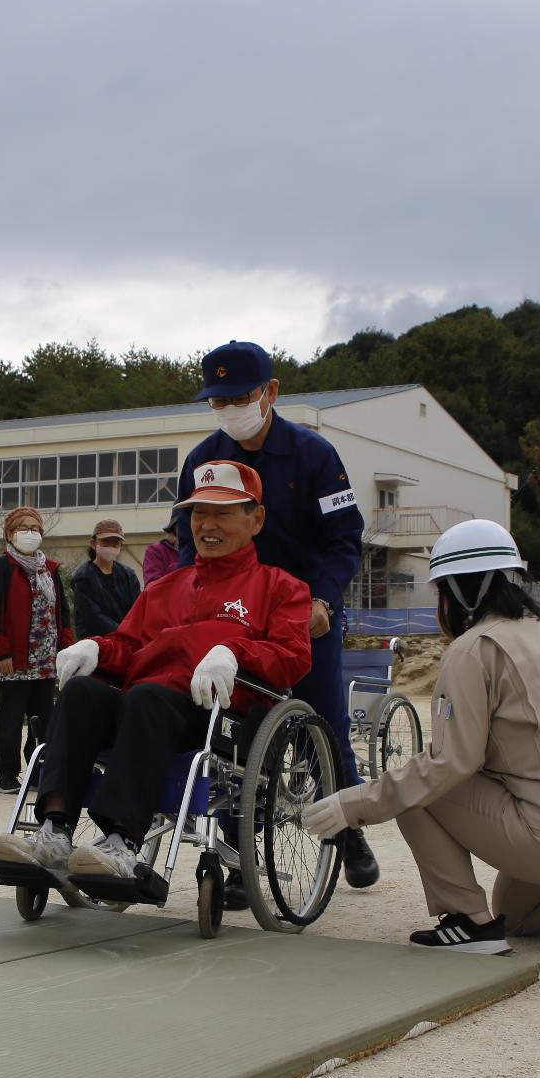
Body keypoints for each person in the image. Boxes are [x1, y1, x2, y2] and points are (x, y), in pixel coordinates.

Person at [301, 520, 540, 954]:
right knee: (516, 914)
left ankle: (467, 921)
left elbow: (448, 765)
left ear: (461, 593)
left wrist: (352, 804)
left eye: (442, 592)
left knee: (418, 787)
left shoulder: (474, 649)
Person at [0, 461, 312, 878]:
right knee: (82, 693)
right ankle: (54, 830)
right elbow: (128, 645)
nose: (207, 524)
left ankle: (123, 842)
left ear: (257, 519)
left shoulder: (280, 587)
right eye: (199, 513)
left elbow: (293, 657)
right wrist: (97, 649)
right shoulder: (164, 588)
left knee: (146, 697)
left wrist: (236, 652)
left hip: (215, 714)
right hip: (143, 706)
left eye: (223, 513)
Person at [177, 339, 380, 895]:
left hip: (304, 614)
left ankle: (348, 830)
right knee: (230, 737)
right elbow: (187, 544)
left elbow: (344, 539)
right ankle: (239, 857)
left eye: (239, 398)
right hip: (233, 617)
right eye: (217, 401)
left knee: (325, 729)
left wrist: (323, 600)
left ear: (270, 392)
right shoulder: (202, 462)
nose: (228, 410)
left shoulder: (315, 456)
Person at [0, 506, 73, 795]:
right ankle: (7, 775)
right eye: (23, 528)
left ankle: (38, 771)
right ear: (9, 534)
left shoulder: (50, 569)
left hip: (46, 657)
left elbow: (62, 612)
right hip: (14, 658)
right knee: (11, 717)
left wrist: (66, 647)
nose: (30, 533)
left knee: (44, 718)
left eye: (35, 528)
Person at [71, 518, 140, 637]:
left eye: (115, 543)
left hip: (127, 639)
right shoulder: (83, 578)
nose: (110, 547)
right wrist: (122, 632)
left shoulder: (129, 575)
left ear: (121, 545)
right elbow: (93, 617)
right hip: (95, 642)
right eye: (105, 542)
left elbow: (138, 609)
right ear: (93, 543)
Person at [141, 515, 181, 587]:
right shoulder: (156, 551)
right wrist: (183, 564)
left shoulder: (200, 551)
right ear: (174, 528)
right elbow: (153, 586)